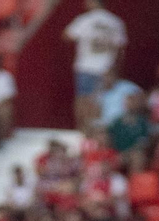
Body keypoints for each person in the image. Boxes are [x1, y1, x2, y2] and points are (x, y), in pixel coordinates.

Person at [64, 0, 127, 129]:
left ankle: (81, 129)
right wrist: (115, 68)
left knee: (82, 98)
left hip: (86, 66)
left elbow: (67, 35)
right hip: (105, 67)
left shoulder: (85, 19)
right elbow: (121, 47)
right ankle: (94, 131)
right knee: (99, 101)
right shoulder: (115, 21)